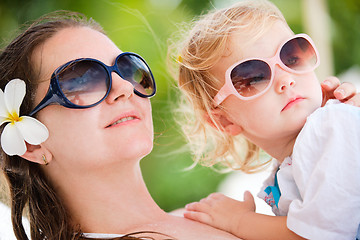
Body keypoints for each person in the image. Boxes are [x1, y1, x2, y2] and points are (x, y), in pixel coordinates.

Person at [0, 10, 246, 240]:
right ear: (31, 144)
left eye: (127, 68)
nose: (125, 88)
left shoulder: (220, 219)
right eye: (82, 80)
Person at [170, 0, 360, 239]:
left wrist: (238, 220)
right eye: (253, 77)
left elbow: (319, 235)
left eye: (291, 56)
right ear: (224, 121)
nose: (286, 79)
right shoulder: (285, 172)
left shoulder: (334, 125)